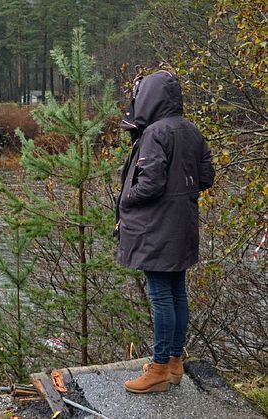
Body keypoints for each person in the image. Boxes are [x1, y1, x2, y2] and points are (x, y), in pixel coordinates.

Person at [115, 70, 215, 394]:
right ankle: (173, 363)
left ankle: (158, 368)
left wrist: (125, 198)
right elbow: (206, 176)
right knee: (177, 294)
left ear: (150, 97)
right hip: (182, 226)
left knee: (161, 297)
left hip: (156, 230)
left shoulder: (155, 133)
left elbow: (151, 183)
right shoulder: (191, 130)